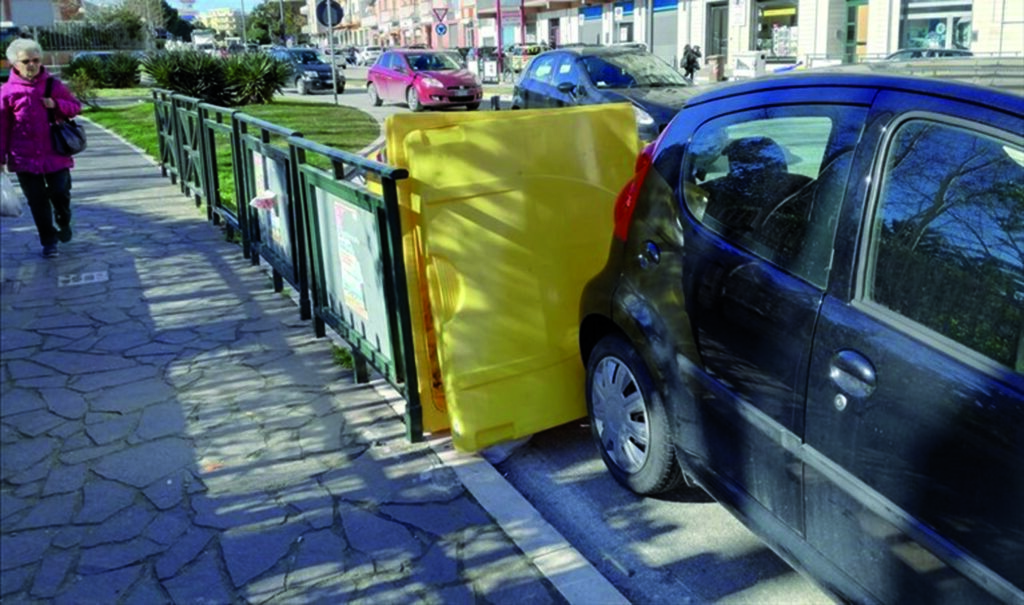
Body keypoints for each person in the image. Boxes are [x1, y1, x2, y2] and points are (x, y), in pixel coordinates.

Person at [0, 38, 82, 258]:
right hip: (24, 156)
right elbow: (2, 126)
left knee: (59, 192)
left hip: (55, 152)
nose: (31, 65)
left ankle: (63, 218)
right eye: (25, 61)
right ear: (14, 64)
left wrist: (56, 104)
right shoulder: (7, 92)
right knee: (37, 201)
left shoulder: (52, 85)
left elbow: (75, 107)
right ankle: (49, 241)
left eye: (35, 60)